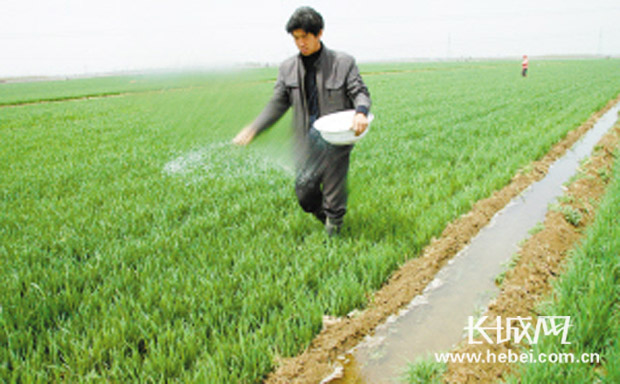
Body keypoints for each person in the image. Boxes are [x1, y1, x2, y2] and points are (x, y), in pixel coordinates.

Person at [233, 6, 371, 236]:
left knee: (334, 193)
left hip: (335, 138)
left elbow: (359, 91)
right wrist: (255, 128)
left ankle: (335, 235)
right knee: (304, 193)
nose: (300, 43)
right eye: (295, 38)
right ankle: (327, 218)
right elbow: (277, 103)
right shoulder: (288, 68)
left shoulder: (343, 63)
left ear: (319, 33)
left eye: (304, 37)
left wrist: (361, 111)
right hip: (306, 139)